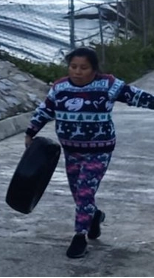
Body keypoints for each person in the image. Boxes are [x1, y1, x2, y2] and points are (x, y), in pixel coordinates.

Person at [25, 46, 154, 258]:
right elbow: (45, 110)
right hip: (71, 150)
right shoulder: (60, 88)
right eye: (73, 67)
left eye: (83, 67)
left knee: (85, 190)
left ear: (94, 69)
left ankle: (79, 237)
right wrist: (31, 131)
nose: (77, 71)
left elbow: (137, 96)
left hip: (99, 150)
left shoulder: (109, 86)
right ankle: (94, 216)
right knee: (79, 193)